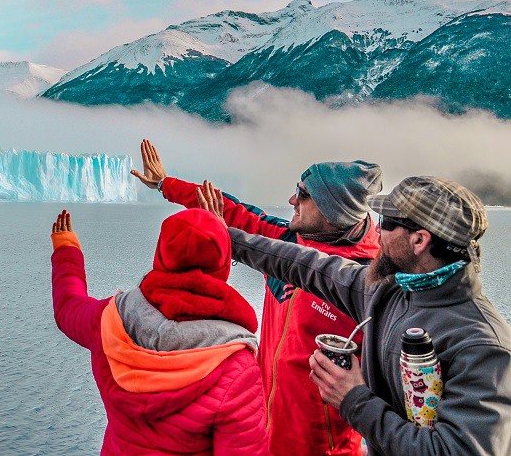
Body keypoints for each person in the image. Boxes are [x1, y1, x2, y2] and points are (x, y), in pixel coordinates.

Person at [196, 177, 511, 455]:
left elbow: (456, 450)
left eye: (386, 222)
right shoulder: (387, 292)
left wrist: (352, 398)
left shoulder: (482, 345)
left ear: (419, 240)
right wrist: (227, 237)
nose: (376, 229)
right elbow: (303, 264)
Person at [130, 139, 382, 456]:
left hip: (322, 447)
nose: (292, 200)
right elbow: (234, 212)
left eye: (303, 195)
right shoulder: (289, 242)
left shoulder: (369, 282)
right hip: (263, 432)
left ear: (333, 212)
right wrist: (166, 185)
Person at [51, 206, 268, 454]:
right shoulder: (236, 369)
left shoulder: (110, 319)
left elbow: (67, 307)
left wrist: (66, 250)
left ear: (160, 256)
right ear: (223, 266)